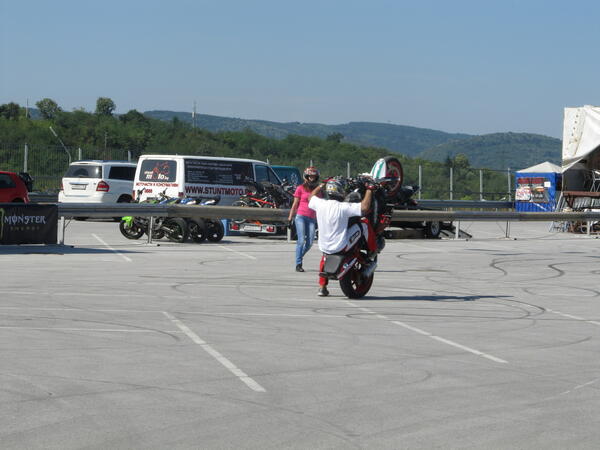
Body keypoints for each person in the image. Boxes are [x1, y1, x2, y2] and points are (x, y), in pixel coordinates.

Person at [308, 178, 375, 297]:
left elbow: (310, 197)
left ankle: (322, 287)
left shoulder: (320, 204)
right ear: (339, 191)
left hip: (324, 246)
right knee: (364, 223)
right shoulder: (343, 207)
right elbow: (364, 208)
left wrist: (321, 185)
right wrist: (370, 189)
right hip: (341, 246)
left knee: (325, 257)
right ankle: (372, 251)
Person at [287, 166, 320, 272]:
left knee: (310, 242)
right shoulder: (300, 188)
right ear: (306, 176)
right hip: (301, 216)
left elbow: (322, 205)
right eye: (310, 176)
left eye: (314, 176)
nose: (312, 178)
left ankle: (299, 257)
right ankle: (298, 264)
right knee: (301, 240)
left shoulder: (318, 190)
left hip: (312, 218)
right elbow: (295, 204)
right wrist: (290, 218)